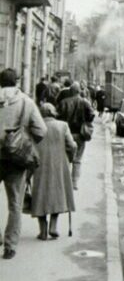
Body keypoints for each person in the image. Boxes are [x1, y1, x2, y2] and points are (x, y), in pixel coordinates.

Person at [0, 68, 47, 259]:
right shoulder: (26, 102)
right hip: (16, 160)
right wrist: (25, 140)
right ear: (17, 82)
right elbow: (41, 130)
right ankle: (10, 246)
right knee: (15, 204)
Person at [30, 103, 76, 240]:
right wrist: (70, 158)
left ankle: (43, 230)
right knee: (57, 193)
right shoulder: (63, 125)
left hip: (39, 165)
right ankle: (53, 227)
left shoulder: (35, 127)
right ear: (53, 112)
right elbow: (71, 145)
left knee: (40, 195)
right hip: (59, 163)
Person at [57, 82, 95, 190]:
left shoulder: (64, 102)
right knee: (77, 159)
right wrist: (85, 121)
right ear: (79, 91)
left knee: (65, 158)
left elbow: (57, 116)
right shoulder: (85, 102)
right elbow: (92, 115)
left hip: (65, 134)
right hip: (80, 134)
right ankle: (74, 183)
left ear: (70, 91)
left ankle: (65, 181)